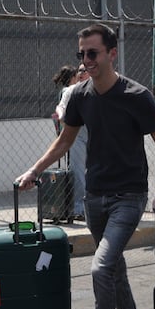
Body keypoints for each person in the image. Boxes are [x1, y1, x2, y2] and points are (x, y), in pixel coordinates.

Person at [16, 23, 155, 309]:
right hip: (95, 200)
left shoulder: (137, 95)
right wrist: (34, 171)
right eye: (81, 55)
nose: (86, 61)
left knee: (101, 267)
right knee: (114, 272)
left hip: (128, 198)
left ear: (111, 53)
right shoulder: (79, 96)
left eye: (93, 53)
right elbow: (63, 143)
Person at [54, 64, 90, 221]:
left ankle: (85, 206)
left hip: (90, 133)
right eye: (79, 71)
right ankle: (78, 208)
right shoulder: (70, 90)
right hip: (78, 134)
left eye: (84, 70)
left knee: (86, 171)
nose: (81, 74)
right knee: (78, 171)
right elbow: (60, 110)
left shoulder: (95, 88)